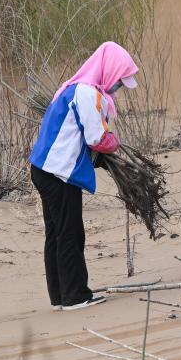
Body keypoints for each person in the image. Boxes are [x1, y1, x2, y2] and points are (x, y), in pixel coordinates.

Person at [28, 41, 138, 310]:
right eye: (120, 81)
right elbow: (96, 138)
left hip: (43, 169)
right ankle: (75, 296)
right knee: (70, 233)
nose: (119, 87)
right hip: (58, 173)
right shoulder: (88, 94)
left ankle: (60, 296)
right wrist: (114, 142)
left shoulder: (73, 88)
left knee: (56, 233)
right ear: (110, 71)